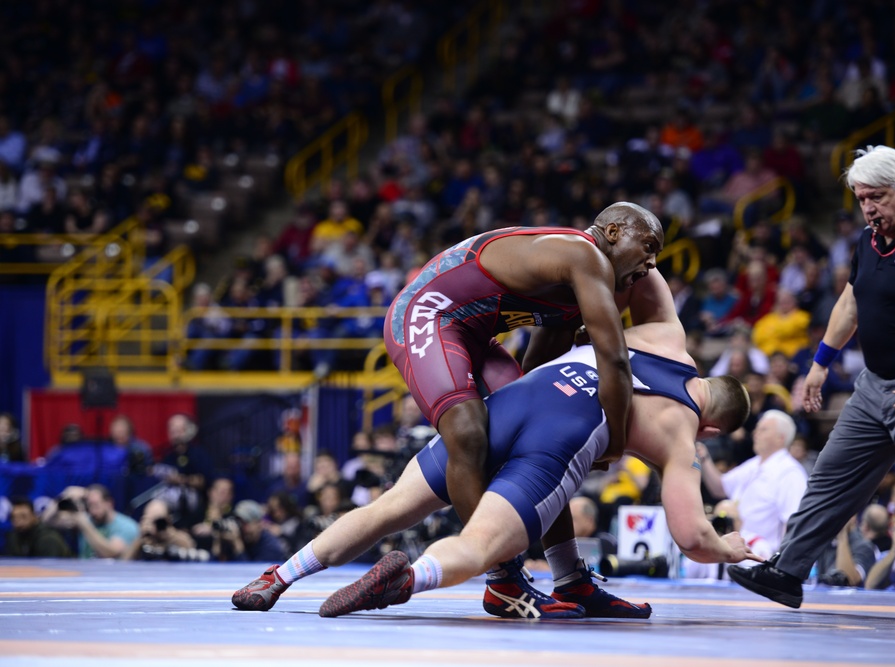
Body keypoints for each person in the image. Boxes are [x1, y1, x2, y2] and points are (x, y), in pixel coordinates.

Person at [232, 271, 759, 618]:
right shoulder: (683, 433)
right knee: (482, 544)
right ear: (715, 428)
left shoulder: (666, 333)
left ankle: (278, 576)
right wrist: (725, 547)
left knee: (390, 505)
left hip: (507, 406)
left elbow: (642, 269)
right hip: (557, 440)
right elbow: (690, 535)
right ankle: (409, 579)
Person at [728, 145, 895, 620]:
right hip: (875, 382)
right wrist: (819, 363)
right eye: (861, 199)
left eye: (877, 197)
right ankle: (787, 573)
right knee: (831, 475)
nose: (869, 208)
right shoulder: (867, 240)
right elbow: (849, 307)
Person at [380, 202, 663, 606]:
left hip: (472, 334)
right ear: (613, 233)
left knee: (541, 440)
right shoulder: (584, 254)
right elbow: (614, 359)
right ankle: (503, 577)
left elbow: (537, 377)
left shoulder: (579, 288)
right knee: (467, 430)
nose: (651, 263)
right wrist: (615, 442)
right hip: (430, 314)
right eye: (648, 245)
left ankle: (571, 578)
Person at [697, 410, 808, 554]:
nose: (755, 433)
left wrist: (782, 565)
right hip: (736, 552)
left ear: (780, 438)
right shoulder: (753, 465)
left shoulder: (790, 473)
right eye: (756, 428)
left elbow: (794, 523)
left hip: (763, 556)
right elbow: (719, 488)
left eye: (763, 429)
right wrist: (704, 457)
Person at [3, 496, 71, 558]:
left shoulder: (48, 538)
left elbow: (49, 567)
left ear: (34, 516)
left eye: (23, 517)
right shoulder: (13, 537)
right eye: (14, 517)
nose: (18, 521)